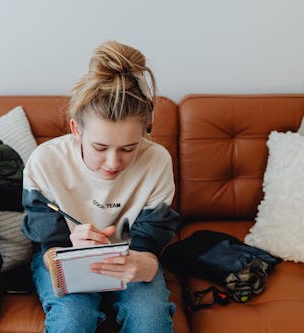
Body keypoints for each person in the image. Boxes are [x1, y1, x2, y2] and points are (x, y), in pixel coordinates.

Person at [22, 40, 179, 333]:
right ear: (75, 130)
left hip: (132, 256)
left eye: (129, 148)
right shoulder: (45, 162)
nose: (112, 163)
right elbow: (46, 246)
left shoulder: (157, 161)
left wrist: (145, 265)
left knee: (151, 321)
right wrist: (71, 250)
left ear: (144, 134)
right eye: (100, 147)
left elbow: (150, 244)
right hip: (62, 255)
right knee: (72, 319)